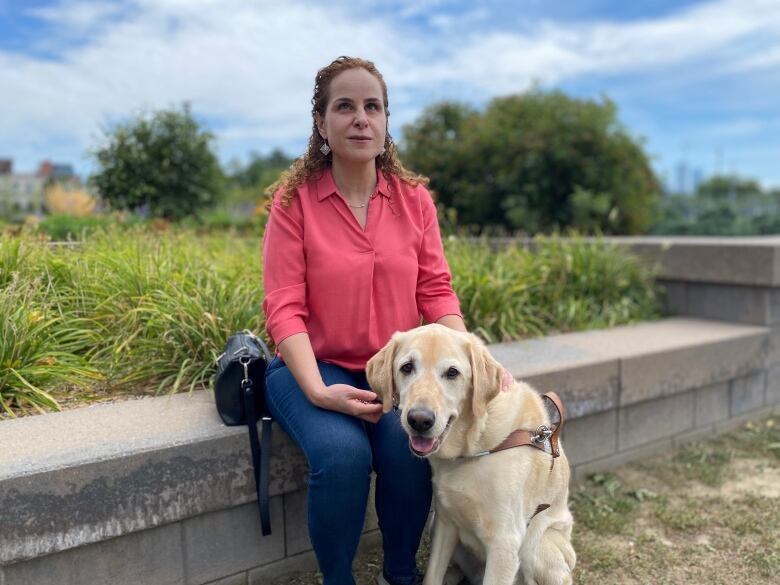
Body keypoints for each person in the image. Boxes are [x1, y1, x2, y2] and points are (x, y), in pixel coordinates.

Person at [262, 55, 466, 585]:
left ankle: (400, 573)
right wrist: (318, 391)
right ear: (322, 124)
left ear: (385, 121)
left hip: (394, 371)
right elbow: (285, 307)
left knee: (407, 450)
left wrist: (470, 361)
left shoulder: (414, 201)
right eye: (345, 107)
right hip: (314, 365)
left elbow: (435, 290)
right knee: (342, 454)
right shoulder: (293, 203)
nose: (360, 119)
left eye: (372, 106)